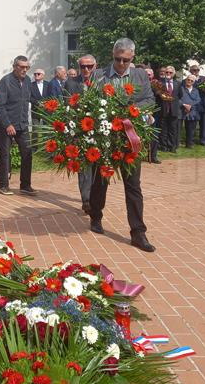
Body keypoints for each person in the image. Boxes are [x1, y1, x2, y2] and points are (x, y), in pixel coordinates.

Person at [90, 38, 156, 252]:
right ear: (113, 54)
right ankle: (96, 216)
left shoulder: (139, 76)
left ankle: (138, 233)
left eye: (125, 60)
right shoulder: (99, 75)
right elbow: (88, 101)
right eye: (117, 59)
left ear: (132, 58)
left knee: (134, 186)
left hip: (130, 138)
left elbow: (149, 100)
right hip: (106, 139)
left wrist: (130, 110)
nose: (120, 63)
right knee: (101, 181)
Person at [0, 55, 36, 196]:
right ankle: (3, 186)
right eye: (22, 67)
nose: (25, 70)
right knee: (5, 155)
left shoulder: (28, 81)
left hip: (22, 125)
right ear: (15, 67)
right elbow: (0, 106)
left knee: (27, 153)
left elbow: (28, 101)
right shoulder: (5, 81)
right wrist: (8, 124)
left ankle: (25, 185)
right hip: (7, 125)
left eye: (27, 67)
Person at [64, 54, 96, 213]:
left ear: (95, 66)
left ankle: (96, 197)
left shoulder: (101, 83)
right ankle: (86, 199)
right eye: (83, 66)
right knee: (83, 167)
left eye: (90, 66)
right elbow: (67, 107)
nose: (86, 69)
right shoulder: (70, 84)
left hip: (98, 132)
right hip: (78, 131)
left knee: (97, 167)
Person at [159, 66, 181, 152]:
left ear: (174, 74)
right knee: (163, 129)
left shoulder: (178, 83)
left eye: (170, 72)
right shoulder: (160, 83)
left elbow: (180, 95)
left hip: (174, 110)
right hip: (163, 109)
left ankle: (172, 146)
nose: (168, 74)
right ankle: (164, 146)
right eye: (167, 72)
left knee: (173, 129)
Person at [179, 74, 201, 148]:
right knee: (178, 128)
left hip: (192, 111)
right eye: (188, 80)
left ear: (193, 82)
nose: (189, 81)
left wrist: (190, 106)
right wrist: (184, 105)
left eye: (192, 81)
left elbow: (198, 100)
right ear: (186, 80)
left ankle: (189, 144)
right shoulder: (181, 88)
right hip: (181, 110)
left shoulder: (196, 90)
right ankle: (177, 143)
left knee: (191, 129)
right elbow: (177, 99)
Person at [144, 67, 161, 164]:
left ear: (152, 76)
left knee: (154, 135)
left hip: (153, 113)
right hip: (139, 112)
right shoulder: (139, 84)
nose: (147, 76)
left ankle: (153, 156)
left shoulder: (156, 85)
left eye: (149, 74)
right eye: (146, 74)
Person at [29, 68, 46, 145]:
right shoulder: (31, 85)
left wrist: (46, 103)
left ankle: (47, 146)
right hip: (35, 109)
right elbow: (29, 97)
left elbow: (51, 94)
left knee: (46, 128)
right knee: (35, 129)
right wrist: (37, 103)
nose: (36, 75)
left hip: (47, 109)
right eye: (35, 74)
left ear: (43, 75)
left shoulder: (48, 84)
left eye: (38, 74)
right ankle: (34, 146)